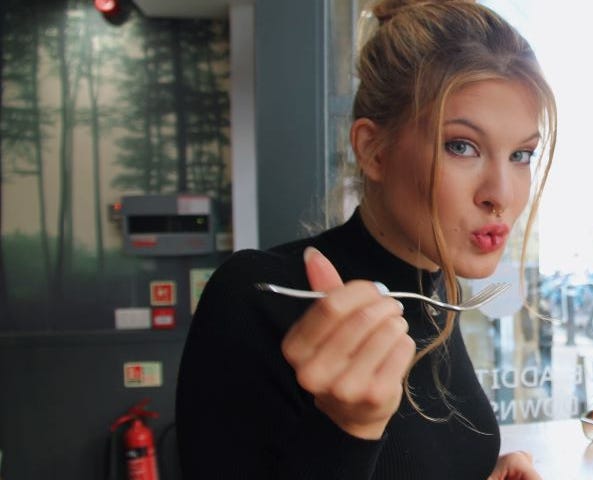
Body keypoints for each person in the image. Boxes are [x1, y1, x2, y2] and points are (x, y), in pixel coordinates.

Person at [175, 0, 557, 478]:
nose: (501, 195)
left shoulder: (434, 292)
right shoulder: (256, 296)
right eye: (462, 146)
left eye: (522, 155)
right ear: (373, 149)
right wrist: (346, 428)